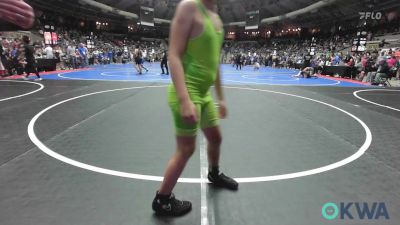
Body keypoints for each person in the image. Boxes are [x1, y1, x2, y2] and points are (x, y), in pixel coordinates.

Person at [152, 0, 238, 217]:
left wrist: (221, 98)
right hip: (187, 92)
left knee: (216, 138)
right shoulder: (189, 7)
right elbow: (173, 55)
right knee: (186, 149)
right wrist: (184, 100)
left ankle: (214, 174)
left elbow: (214, 63)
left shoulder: (217, 17)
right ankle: (162, 199)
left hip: (204, 94)